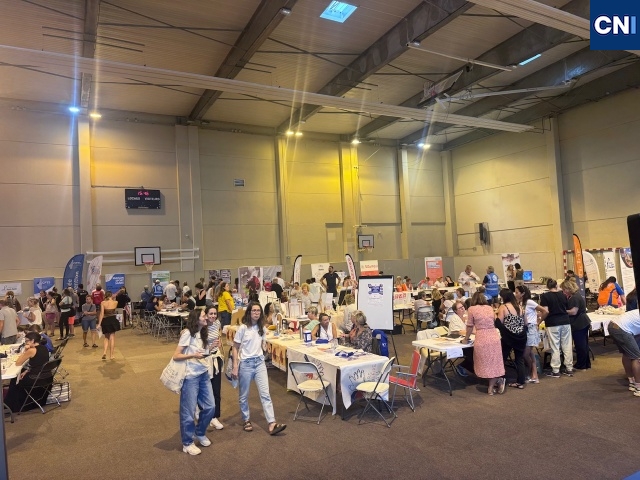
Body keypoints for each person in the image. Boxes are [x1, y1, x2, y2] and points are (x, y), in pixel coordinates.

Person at [231, 302, 286, 435]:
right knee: (244, 395)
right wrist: (235, 366)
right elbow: (235, 347)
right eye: (254, 310)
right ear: (249, 312)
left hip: (260, 363)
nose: (256, 313)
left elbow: (263, 344)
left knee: (265, 394)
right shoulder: (243, 328)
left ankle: (272, 423)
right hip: (246, 364)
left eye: (258, 311)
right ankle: (246, 419)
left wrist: (264, 346)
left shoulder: (261, 327)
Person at [173, 309, 215, 455]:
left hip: (203, 374)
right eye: (204, 315)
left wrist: (210, 349)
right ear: (196, 319)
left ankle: (199, 432)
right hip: (190, 377)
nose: (206, 317)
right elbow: (176, 355)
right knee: (188, 411)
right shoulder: (187, 333)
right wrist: (192, 355)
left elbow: (201, 353)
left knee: (210, 407)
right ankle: (187, 442)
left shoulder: (203, 332)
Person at [463, 291, 505, 395]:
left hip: (481, 337)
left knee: (483, 362)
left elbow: (469, 326)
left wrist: (466, 339)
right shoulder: (490, 308)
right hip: (493, 336)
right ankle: (496, 382)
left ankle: (492, 386)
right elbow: (494, 321)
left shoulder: (471, 309)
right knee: (494, 362)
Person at [3, 331, 51, 413]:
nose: (25, 343)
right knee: (21, 372)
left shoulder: (32, 350)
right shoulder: (44, 348)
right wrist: (27, 371)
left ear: (32, 341)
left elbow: (18, 362)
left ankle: (10, 404)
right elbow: (38, 364)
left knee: (15, 379)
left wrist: (25, 350)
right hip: (46, 376)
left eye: (26, 341)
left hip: (35, 379)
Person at [539, 279, 576, 378]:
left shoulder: (545, 296)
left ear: (547, 286)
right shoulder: (563, 295)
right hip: (565, 322)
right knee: (567, 346)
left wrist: (540, 320)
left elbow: (545, 311)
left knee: (555, 347)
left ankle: (556, 370)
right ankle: (569, 368)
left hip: (552, 323)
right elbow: (566, 308)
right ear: (556, 286)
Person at [496, 289, 527, 389]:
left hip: (508, 337)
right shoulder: (520, 307)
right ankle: (520, 382)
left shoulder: (503, 307)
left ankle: (501, 380)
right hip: (521, 336)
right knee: (519, 359)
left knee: (502, 358)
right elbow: (526, 323)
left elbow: (499, 322)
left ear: (503, 297)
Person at [515, 285, 544, 384]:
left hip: (531, 329)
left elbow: (545, 311)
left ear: (523, 293)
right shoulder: (520, 303)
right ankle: (534, 375)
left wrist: (538, 322)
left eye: (517, 292)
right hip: (524, 329)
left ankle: (533, 373)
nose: (515, 294)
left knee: (526, 354)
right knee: (530, 353)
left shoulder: (529, 302)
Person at [607, 309, 640, 396]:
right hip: (622, 328)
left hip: (613, 325)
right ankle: (638, 388)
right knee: (637, 358)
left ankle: (632, 382)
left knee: (627, 353)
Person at [562, 279, 591, 371]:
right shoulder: (576, 296)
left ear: (568, 288)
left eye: (564, 290)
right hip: (582, 322)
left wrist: (562, 311)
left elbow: (573, 312)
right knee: (584, 345)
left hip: (579, 323)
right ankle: (585, 364)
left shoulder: (574, 298)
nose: (563, 292)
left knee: (580, 345)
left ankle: (581, 365)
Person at [203, 306, 224, 430]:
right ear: (206, 314)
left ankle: (215, 416)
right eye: (210, 314)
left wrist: (219, 342)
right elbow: (198, 347)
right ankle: (205, 414)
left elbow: (218, 335)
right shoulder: (202, 326)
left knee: (216, 388)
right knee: (206, 389)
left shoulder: (217, 323)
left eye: (215, 313)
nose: (213, 316)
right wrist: (210, 347)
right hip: (205, 360)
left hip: (216, 358)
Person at [97, 291, 120, 361]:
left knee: (106, 337)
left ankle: (104, 352)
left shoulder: (103, 303)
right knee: (112, 337)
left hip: (105, 321)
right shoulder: (115, 302)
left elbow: (102, 314)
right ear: (111, 295)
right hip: (113, 320)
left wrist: (99, 324)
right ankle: (111, 355)